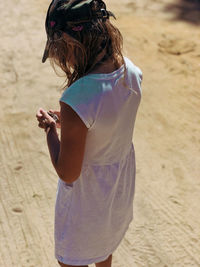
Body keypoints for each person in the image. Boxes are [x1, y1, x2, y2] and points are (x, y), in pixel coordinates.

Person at [36, 0, 143, 266]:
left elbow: (68, 172)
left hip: (86, 204)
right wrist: (69, 121)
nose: (63, 60)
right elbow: (106, 120)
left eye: (61, 51)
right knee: (104, 248)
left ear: (72, 42)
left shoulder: (78, 97)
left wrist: (51, 130)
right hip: (115, 194)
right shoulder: (131, 72)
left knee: (73, 259)